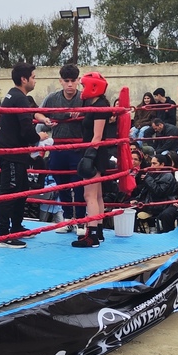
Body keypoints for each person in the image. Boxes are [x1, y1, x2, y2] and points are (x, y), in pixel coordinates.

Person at [0, 63, 49, 249]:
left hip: (15, 153)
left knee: (22, 190)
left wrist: (39, 117)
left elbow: (24, 118)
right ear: (24, 79)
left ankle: (16, 227)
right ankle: (3, 235)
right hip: (11, 153)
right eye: (33, 77)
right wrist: (39, 137)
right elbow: (26, 130)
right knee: (9, 193)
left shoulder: (13, 95)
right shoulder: (19, 98)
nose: (35, 80)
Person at [34, 64, 85, 231]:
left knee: (78, 186)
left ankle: (81, 222)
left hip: (78, 148)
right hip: (58, 147)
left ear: (78, 80)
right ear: (60, 81)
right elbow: (38, 113)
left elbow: (95, 116)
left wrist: (83, 115)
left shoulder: (84, 98)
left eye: (73, 81)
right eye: (66, 81)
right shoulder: (53, 98)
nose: (70, 84)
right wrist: (45, 120)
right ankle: (68, 220)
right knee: (61, 185)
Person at [73, 71, 115, 247]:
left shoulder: (100, 107)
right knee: (97, 195)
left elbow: (97, 136)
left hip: (95, 152)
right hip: (97, 153)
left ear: (93, 87)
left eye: (84, 85)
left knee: (89, 195)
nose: (82, 89)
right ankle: (98, 232)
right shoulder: (95, 104)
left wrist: (89, 157)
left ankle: (92, 236)